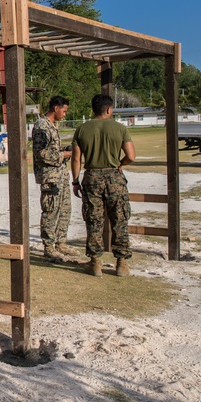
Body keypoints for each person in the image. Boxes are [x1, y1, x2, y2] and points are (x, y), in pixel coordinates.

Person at [70, 94, 136, 277]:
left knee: (93, 220)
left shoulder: (82, 129)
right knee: (119, 219)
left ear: (94, 109)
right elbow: (131, 155)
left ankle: (95, 263)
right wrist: (119, 163)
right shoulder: (120, 128)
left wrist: (75, 181)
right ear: (108, 109)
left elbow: (76, 159)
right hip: (114, 177)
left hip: (92, 177)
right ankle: (121, 263)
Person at [32, 95, 81, 263]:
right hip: (50, 177)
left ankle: (61, 242)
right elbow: (41, 153)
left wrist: (63, 150)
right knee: (51, 211)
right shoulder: (41, 126)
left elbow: (52, 149)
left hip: (60, 175)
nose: (65, 114)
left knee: (64, 209)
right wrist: (66, 154)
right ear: (56, 108)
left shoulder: (52, 126)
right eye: (64, 111)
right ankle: (49, 247)